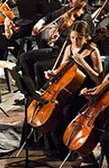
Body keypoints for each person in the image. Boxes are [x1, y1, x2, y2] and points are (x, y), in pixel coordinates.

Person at [18, 0, 92, 97]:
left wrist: (57, 39)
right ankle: (31, 93)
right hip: (57, 50)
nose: (69, 0)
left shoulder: (85, 19)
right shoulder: (70, 9)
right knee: (24, 57)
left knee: (39, 65)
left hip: (67, 56)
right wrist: (40, 23)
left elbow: (74, 45)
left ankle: (45, 95)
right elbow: (50, 16)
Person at [42, 20, 102, 160]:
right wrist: (53, 73)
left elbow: (98, 79)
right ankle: (58, 148)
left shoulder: (93, 51)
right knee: (54, 109)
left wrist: (82, 63)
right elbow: (62, 67)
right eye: (73, 38)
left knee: (68, 111)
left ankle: (76, 148)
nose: (75, 41)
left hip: (86, 91)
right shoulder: (69, 48)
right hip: (70, 88)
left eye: (79, 38)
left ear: (87, 37)